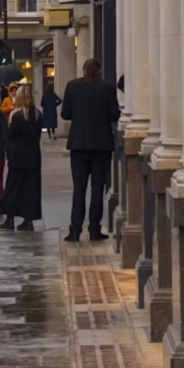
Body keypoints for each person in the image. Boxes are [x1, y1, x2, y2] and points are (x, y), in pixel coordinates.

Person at [61, 56, 119, 243]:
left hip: (79, 144)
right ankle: (94, 229)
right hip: (101, 145)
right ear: (99, 70)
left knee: (79, 188)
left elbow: (65, 114)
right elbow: (114, 114)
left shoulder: (72, 86)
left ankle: (75, 229)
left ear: (83, 70)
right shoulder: (108, 88)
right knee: (97, 188)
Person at [0, 82, 43, 232]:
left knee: (13, 187)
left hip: (18, 158)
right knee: (31, 190)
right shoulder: (37, 115)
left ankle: (10, 218)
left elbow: (11, 136)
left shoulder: (16, 116)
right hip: (33, 158)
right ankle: (28, 220)